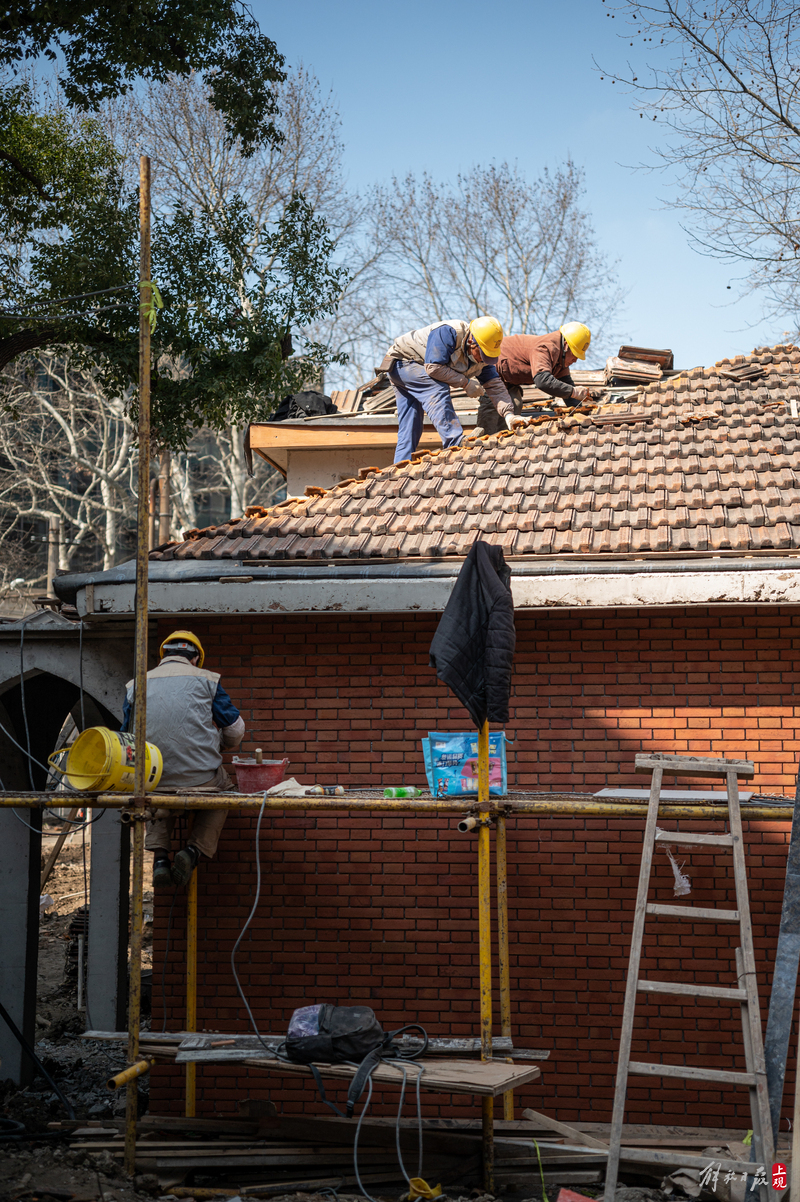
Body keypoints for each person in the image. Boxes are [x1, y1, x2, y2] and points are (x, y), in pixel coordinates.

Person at [122, 630, 245, 887]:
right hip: (201, 780)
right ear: (195, 658)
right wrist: (219, 744)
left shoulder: (136, 684)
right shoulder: (207, 680)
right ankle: (192, 851)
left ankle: (160, 859)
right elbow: (235, 729)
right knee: (226, 793)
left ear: (163, 656)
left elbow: (126, 736)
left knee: (150, 793)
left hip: (153, 779)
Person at [380, 316, 517, 462]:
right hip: (403, 363)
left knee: (410, 424)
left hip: (405, 369)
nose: (484, 359)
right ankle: (455, 440)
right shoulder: (449, 332)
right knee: (437, 387)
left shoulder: (483, 358)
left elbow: (494, 385)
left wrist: (509, 414)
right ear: (472, 342)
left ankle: (401, 464)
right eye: (483, 354)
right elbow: (433, 368)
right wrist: (466, 383)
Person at [476, 322, 593, 435]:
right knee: (491, 407)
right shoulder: (545, 348)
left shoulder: (561, 360)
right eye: (575, 354)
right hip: (493, 371)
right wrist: (573, 392)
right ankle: (482, 444)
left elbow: (567, 388)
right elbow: (543, 381)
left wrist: (582, 415)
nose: (575, 360)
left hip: (510, 379)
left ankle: (501, 442)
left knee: (515, 404)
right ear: (566, 346)